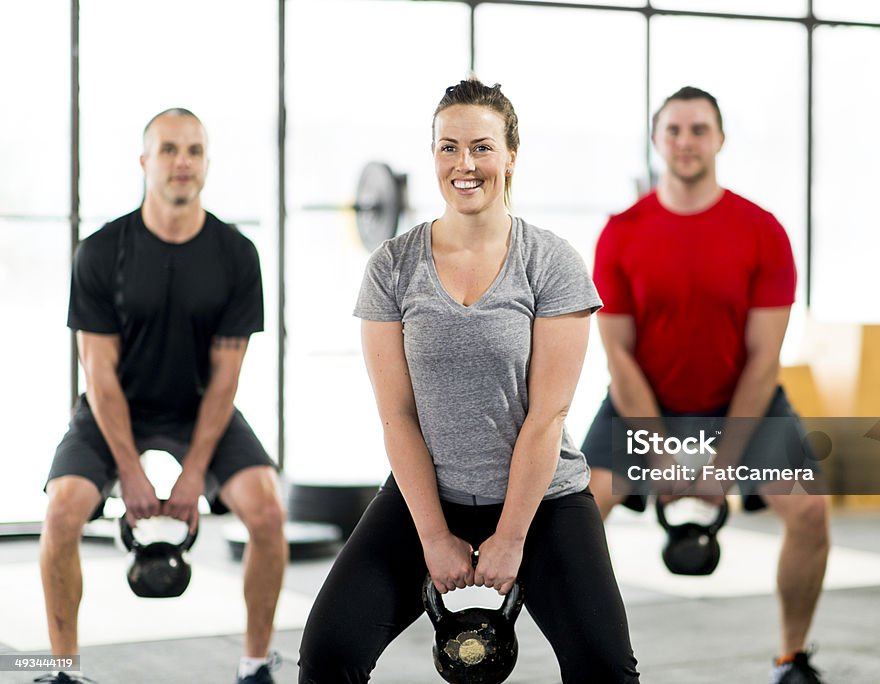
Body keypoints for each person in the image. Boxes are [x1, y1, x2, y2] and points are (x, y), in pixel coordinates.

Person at [297, 79, 640, 684]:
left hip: (544, 501)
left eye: (481, 147)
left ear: (511, 155)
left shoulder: (550, 262)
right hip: (427, 496)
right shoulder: (394, 266)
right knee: (328, 655)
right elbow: (396, 416)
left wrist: (511, 539)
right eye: (447, 147)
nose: (465, 164)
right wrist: (433, 535)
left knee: (606, 668)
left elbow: (548, 416)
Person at [582, 86, 831, 684]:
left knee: (811, 513)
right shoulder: (621, 232)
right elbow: (618, 355)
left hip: (742, 398)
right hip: (644, 400)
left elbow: (763, 360)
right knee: (577, 518)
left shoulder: (762, 230)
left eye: (699, 130)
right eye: (674, 130)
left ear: (719, 139)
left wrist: (726, 461)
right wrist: (661, 451)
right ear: (656, 139)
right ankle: (595, 663)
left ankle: (791, 658)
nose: (686, 142)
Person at [38, 108, 287, 684]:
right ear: (145, 161)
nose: (182, 162)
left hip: (202, 407)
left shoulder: (235, 253)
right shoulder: (101, 252)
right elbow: (99, 377)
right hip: (114, 407)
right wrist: (129, 471)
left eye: (194, 151)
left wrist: (195, 473)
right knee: (62, 509)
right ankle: (62, 672)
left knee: (269, 512)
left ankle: (255, 665)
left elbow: (227, 377)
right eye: (170, 149)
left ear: (206, 163)